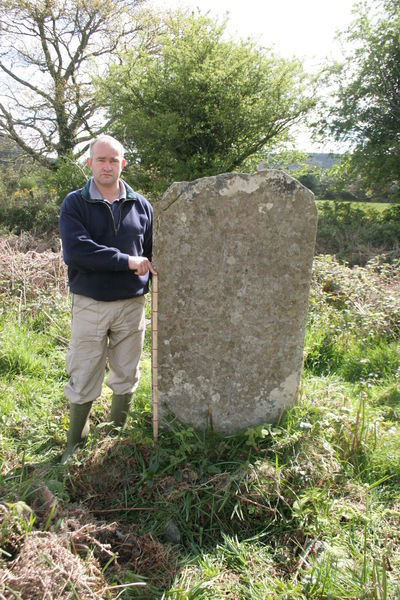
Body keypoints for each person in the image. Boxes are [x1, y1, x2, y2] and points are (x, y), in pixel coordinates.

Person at [59, 135, 155, 462]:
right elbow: (77, 251)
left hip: (132, 305)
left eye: (113, 160)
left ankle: (115, 438)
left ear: (122, 164)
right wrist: (126, 261)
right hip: (91, 303)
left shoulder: (142, 206)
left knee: (126, 372)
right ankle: (76, 443)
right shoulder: (75, 203)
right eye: (101, 160)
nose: (107, 166)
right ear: (89, 163)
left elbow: (153, 254)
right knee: (85, 370)